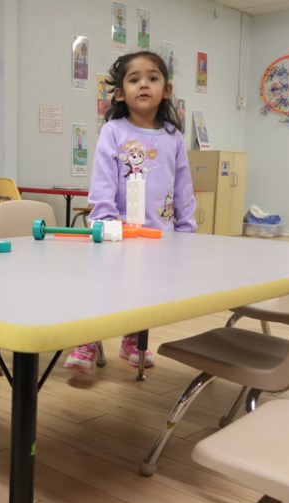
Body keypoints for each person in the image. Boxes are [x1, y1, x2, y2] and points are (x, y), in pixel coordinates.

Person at [65, 50, 197, 374]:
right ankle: (86, 340)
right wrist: (107, 222)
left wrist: (186, 230)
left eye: (152, 78)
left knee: (146, 294)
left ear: (166, 89)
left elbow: (183, 187)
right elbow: (102, 182)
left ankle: (133, 342)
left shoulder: (173, 137)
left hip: (159, 234)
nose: (144, 85)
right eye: (134, 79)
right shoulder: (114, 131)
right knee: (103, 288)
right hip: (117, 232)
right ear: (121, 92)